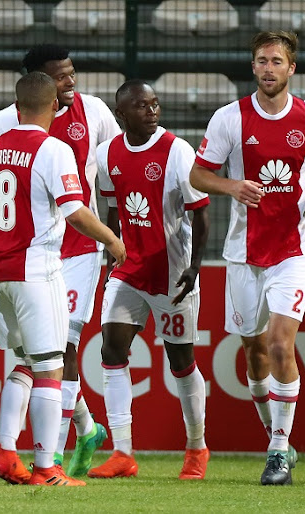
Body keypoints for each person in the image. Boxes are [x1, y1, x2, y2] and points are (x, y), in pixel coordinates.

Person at [189, 31, 305, 485]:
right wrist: (231, 186)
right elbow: (199, 175)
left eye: (277, 61)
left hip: (295, 250)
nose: (268, 69)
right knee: (254, 354)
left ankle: (278, 452)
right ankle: (278, 436)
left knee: (281, 344)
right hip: (242, 252)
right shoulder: (229, 119)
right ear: (253, 66)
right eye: (261, 61)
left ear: (291, 68)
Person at [0, 72, 126, 486]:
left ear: (16, 109)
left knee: (22, 364)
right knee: (51, 368)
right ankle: (47, 469)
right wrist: (113, 241)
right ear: (55, 106)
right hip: (35, 272)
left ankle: (5, 453)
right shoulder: (54, 149)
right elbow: (77, 213)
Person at [86, 81, 212, 480]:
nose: (152, 110)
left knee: (181, 361)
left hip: (173, 274)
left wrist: (195, 267)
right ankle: (123, 452)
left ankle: (196, 448)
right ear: (122, 115)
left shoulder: (177, 151)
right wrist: (111, 250)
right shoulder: (107, 154)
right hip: (129, 269)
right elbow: (111, 209)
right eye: (142, 106)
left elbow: (201, 215)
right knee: (111, 348)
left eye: (155, 104)